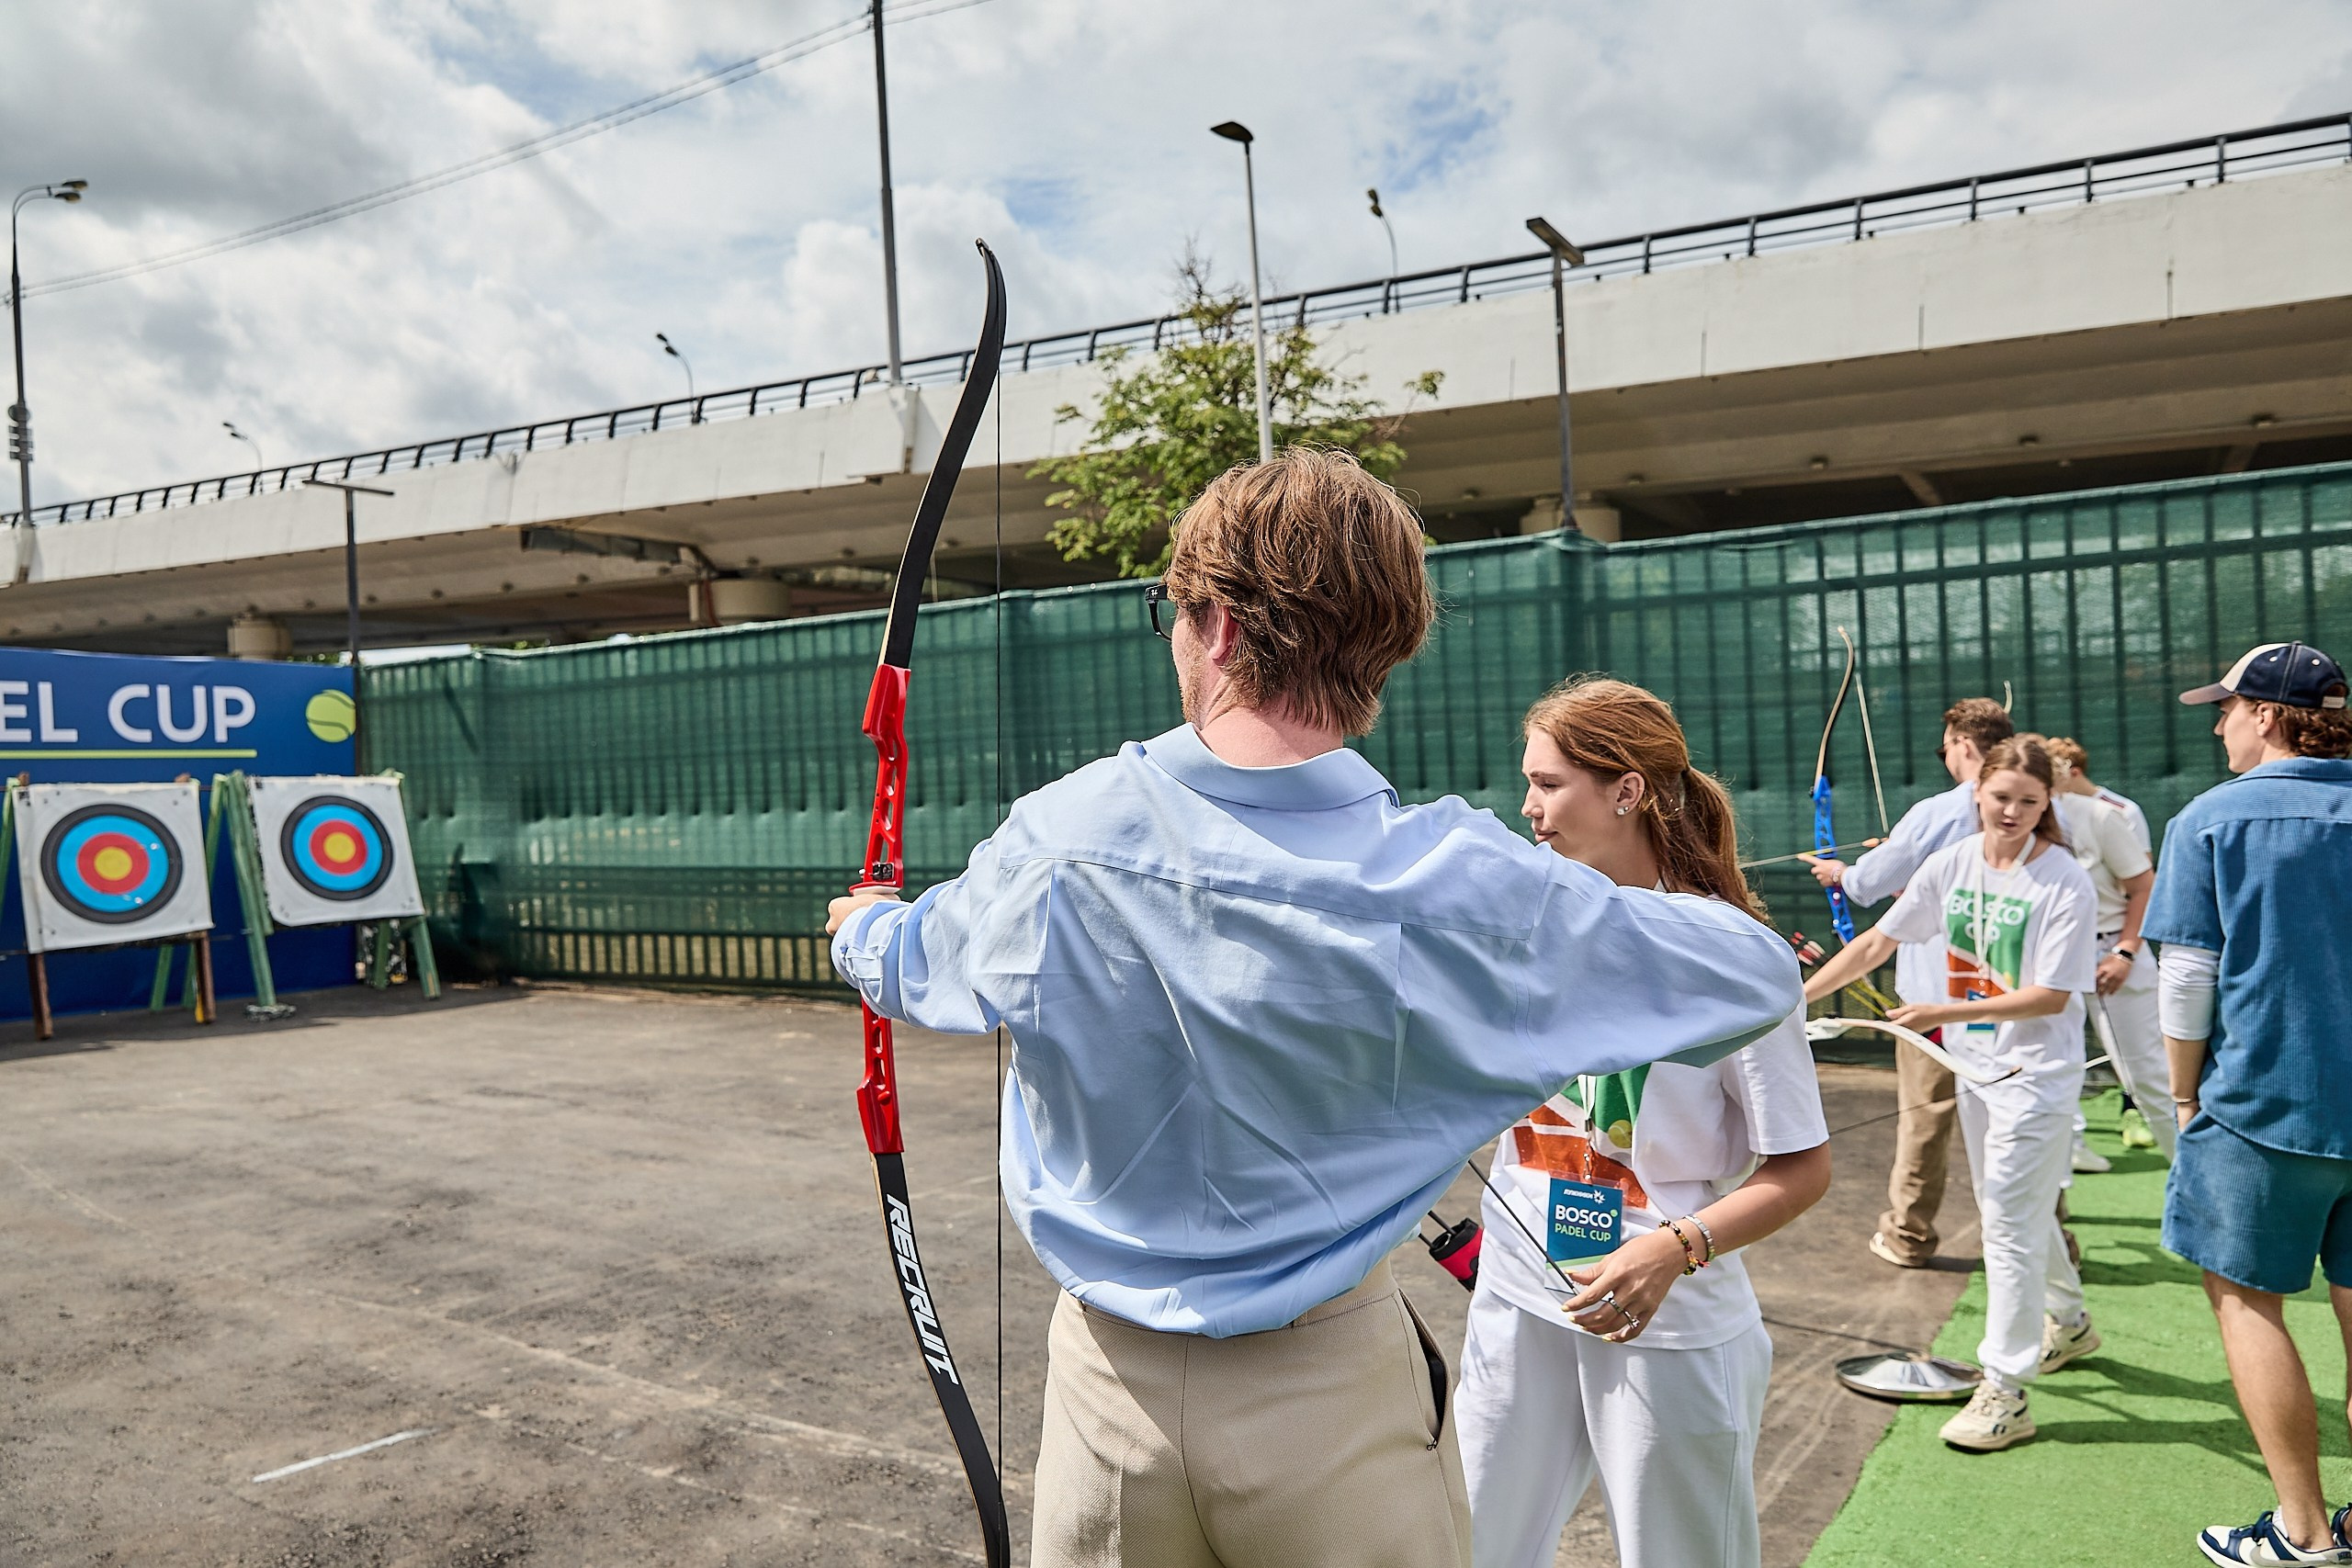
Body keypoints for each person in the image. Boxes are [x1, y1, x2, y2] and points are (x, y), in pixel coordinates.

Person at [827, 449, 1801, 1568]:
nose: (1178, 645)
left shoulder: (1062, 832)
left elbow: (905, 964)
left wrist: (860, 921)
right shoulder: (1460, 881)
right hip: (1331, 1398)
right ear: (1380, 651)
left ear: (1224, 629)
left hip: (1106, 1399)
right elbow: (1753, 975)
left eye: (1176, 616)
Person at [1454, 678, 1829, 1568]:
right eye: (1528, 782)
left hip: (1664, 1318)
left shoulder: (1730, 957)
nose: (1527, 807)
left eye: (1548, 784)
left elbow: (1801, 1169)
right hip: (1516, 1290)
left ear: (1626, 791)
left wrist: (1674, 1247)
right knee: (1470, 1542)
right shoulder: (1530, 927)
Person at [1803, 736, 2099, 1450]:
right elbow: (1876, 942)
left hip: (2036, 1080)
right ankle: (2073, 1322)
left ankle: (2005, 1387)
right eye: (2002, 797)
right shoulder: (1955, 861)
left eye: (2030, 802)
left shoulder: (2064, 880)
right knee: (2014, 1208)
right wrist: (1796, 999)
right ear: (1978, 791)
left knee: (2005, 1220)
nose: (2013, 812)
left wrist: (1941, 1013)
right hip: (1977, 1073)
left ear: (2046, 803)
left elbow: (2050, 996)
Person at [2141, 641, 2352, 1566]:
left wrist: (2181, 1092)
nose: (2219, 724)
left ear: (2266, 715)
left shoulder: (2210, 820)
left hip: (2258, 1106)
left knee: (2246, 1301)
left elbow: (2187, 978)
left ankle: (2302, 1532)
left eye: (2224, 708)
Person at [1809, 696, 2015, 1268]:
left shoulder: (1941, 813)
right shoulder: (2045, 815)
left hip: (1938, 1002)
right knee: (2013, 1123)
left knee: (1927, 1114)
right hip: (2004, 999)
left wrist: (1842, 874)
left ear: (1963, 745)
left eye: (1946, 747)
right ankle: (2054, 1238)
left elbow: (1868, 887)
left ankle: (1908, 1234)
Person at [2043, 736, 2168, 1161]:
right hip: (2046, 958)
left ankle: (2198, 1178)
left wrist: (2127, 950)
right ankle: (2069, 1153)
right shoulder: (2006, 825)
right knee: (2048, 1068)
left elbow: (2142, 884)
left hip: (2109, 951)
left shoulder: (2107, 813)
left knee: (2147, 1074)